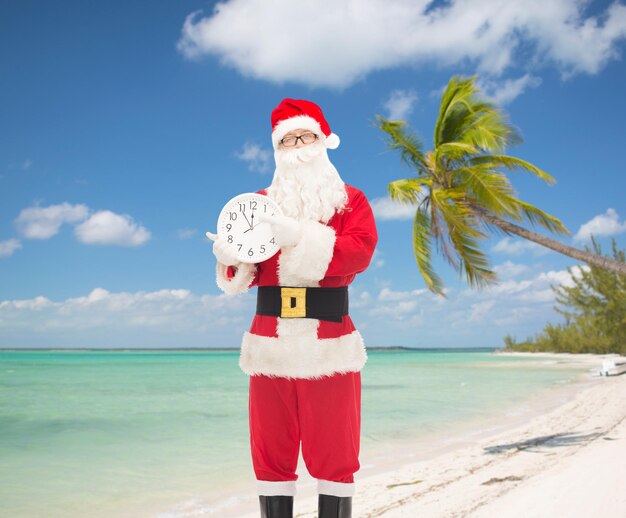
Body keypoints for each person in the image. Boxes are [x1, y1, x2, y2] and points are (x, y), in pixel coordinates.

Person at [210, 98, 378, 518]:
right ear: (277, 150)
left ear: (324, 141)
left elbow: (358, 253)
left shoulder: (350, 201)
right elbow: (242, 273)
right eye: (288, 139)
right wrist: (228, 256)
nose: (298, 146)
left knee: (337, 453)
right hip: (270, 343)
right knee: (270, 451)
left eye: (306, 136)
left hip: (330, 342)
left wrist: (298, 236)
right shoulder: (258, 204)